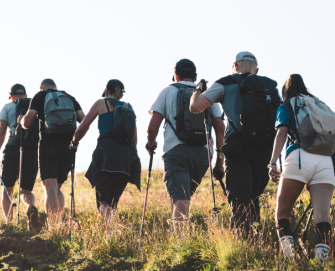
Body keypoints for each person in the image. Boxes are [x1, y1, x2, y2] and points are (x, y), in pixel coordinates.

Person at [190, 51, 276, 234]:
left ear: (235, 66)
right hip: (265, 149)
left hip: (238, 148)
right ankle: (255, 241)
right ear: (256, 70)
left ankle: (240, 245)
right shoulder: (268, 86)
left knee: (239, 199)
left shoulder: (226, 82)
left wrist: (198, 89)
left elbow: (195, 107)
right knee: (254, 198)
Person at [268, 74, 335, 263]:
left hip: (299, 157)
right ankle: (321, 263)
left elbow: (282, 133)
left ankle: (290, 258)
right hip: (326, 162)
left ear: (285, 90)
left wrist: (273, 162)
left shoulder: (287, 105)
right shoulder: (319, 105)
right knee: (322, 217)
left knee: (282, 212)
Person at [147, 59, 225, 227]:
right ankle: (177, 240)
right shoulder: (207, 94)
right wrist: (220, 162)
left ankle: (180, 248)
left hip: (176, 152)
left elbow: (153, 126)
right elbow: (220, 128)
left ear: (175, 75)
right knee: (181, 199)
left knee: (181, 202)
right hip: (203, 155)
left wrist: (151, 143)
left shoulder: (168, 91)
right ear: (195, 76)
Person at [71, 79, 141, 235]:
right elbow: (134, 139)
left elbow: (83, 127)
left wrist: (74, 142)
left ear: (106, 91)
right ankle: (113, 231)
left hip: (107, 155)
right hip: (127, 158)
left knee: (103, 201)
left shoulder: (101, 103)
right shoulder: (128, 108)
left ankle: (111, 232)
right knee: (113, 202)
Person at [21, 79, 85, 227]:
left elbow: (28, 122)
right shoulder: (68, 97)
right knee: (58, 188)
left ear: (41, 87)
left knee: (50, 187)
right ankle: (61, 222)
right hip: (68, 146)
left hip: (48, 145)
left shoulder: (40, 96)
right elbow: (82, 118)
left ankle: (53, 227)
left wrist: (21, 121)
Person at [0, 84, 40, 232]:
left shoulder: (7, 107)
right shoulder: (34, 107)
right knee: (25, 190)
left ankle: (9, 223)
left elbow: (1, 132)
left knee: (8, 189)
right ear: (25, 96)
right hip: (32, 150)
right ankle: (30, 206)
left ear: (11, 96)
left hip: (13, 148)